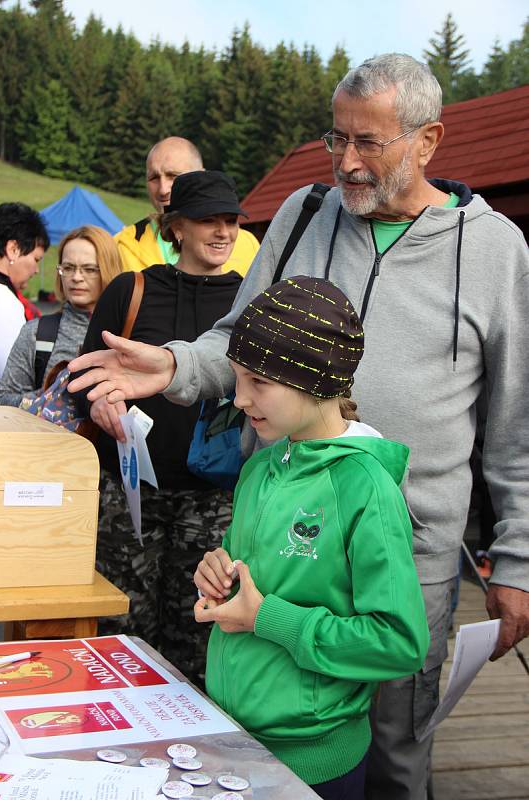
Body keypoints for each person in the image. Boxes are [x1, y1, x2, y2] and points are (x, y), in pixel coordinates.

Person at [68, 53, 529, 800]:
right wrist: (176, 367)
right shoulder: (304, 214)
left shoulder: (494, 250)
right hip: (281, 537)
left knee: (395, 750)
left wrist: (516, 562)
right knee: (268, 726)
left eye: (367, 143)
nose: (345, 162)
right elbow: (237, 343)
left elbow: (516, 425)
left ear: (428, 140)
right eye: (334, 138)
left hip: (408, 549)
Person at [193, 276, 429, 799]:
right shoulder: (259, 469)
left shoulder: (364, 487)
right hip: (232, 742)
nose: (239, 397)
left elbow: (399, 643)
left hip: (318, 766)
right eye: (236, 378)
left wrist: (265, 617)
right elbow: (249, 581)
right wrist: (217, 576)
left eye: (257, 381)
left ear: (318, 381)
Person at [74, 170, 245, 685]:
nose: (223, 232)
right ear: (176, 227)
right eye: (207, 220)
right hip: (130, 494)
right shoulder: (133, 289)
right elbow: (83, 378)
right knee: (122, 633)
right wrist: (100, 404)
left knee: (199, 630)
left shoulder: (248, 301)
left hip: (213, 498)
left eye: (231, 220)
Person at [0, 226, 122, 407]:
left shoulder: (129, 333)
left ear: (108, 269)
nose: (77, 277)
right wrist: (48, 398)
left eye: (89, 269)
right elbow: (2, 401)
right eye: (68, 268)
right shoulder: (37, 332)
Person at [115, 136, 260, 277]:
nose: (163, 189)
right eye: (154, 178)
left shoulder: (248, 245)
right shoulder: (121, 245)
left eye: (173, 176)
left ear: (202, 175)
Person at [0, 202, 49, 383]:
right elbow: (13, 379)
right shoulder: (3, 300)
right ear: (13, 249)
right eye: (36, 259)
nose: (36, 270)